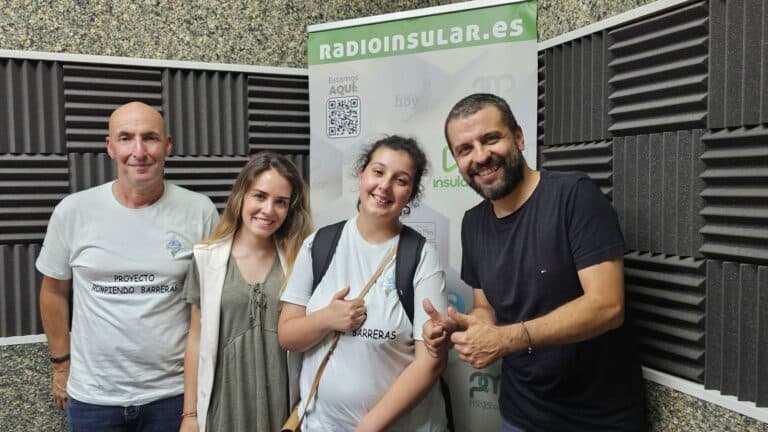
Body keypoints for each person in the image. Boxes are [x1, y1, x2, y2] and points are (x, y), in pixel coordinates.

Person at [423, 93, 647, 431]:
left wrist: (507, 339)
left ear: (519, 137)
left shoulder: (574, 196)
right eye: (465, 149)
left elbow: (607, 306)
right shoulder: (473, 223)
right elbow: (486, 306)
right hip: (521, 416)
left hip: (600, 420)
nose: (481, 156)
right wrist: (469, 325)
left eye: (490, 139)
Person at [36, 101, 219, 431]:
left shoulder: (199, 211)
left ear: (168, 145)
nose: (139, 151)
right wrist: (60, 365)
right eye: (125, 138)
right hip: (94, 399)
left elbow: (211, 303)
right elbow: (53, 291)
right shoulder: (73, 211)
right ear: (110, 147)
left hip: (173, 396)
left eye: (150, 137)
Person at [278, 136, 449, 432]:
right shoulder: (318, 244)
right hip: (320, 425)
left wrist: (366, 428)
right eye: (378, 172)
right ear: (362, 175)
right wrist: (326, 319)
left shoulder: (421, 256)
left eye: (401, 180)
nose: (384, 186)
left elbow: (430, 363)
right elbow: (287, 335)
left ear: (411, 193)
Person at [179, 152, 313, 432]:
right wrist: (190, 415)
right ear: (241, 196)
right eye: (260, 196)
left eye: (281, 202)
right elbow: (195, 338)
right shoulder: (206, 258)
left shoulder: (302, 261)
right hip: (222, 405)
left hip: (282, 407)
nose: (268, 210)